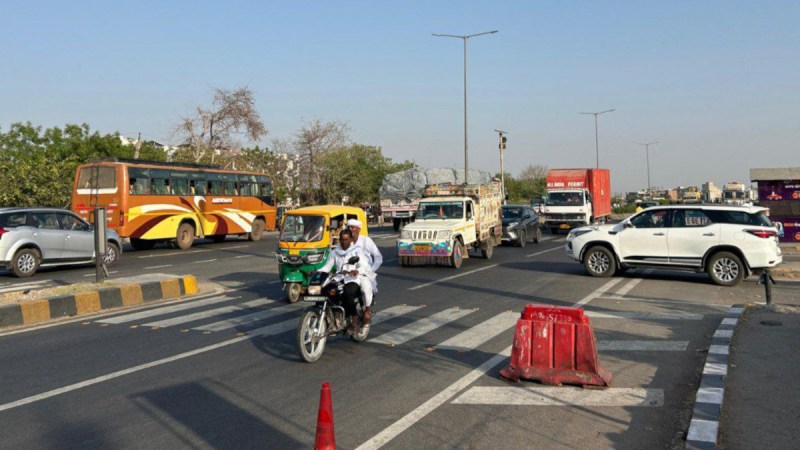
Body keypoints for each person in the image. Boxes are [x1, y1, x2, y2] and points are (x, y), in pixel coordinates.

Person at [319, 229, 374, 332]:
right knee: (323, 291)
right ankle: (328, 315)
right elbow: (327, 267)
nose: (344, 242)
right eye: (342, 240)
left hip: (353, 279)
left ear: (351, 240)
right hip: (339, 278)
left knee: (348, 294)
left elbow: (364, 266)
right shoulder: (335, 252)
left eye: (346, 239)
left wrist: (356, 271)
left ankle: (354, 316)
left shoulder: (357, 251)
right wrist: (316, 272)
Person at [347, 218, 382, 323]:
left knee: (366, 288)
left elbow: (378, 257)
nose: (350, 229)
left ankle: (367, 309)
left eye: (352, 227)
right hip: (349, 272)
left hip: (364, 272)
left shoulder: (366, 241)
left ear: (358, 229)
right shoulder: (345, 240)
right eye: (348, 227)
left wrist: (371, 270)